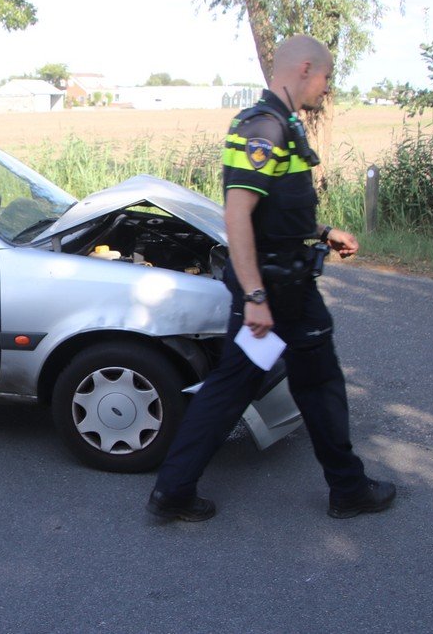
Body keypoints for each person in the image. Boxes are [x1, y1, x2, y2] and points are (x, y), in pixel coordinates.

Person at [146, 35, 396, 523]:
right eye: (326, 78)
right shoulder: (266, 128)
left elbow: (275, 212)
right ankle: (348, 489)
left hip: (283, 287)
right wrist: (257, 297)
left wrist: (323, 231)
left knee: (236, 387)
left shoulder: (279, 124)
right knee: (319, 383)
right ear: (305, 69)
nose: (326, 88)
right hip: (279, 294)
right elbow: (237, 216)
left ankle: (173, 491)